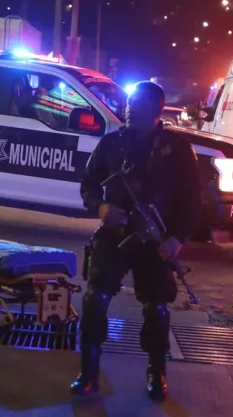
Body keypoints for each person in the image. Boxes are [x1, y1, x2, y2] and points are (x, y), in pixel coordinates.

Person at [70, 81, 203, 401]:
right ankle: (88, 371)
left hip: (155, 240)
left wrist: (177, 240)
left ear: (157, 110)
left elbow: (193, 203)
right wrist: (101, 208)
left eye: (139, 104)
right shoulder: (112, 144)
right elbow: (88, 183)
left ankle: (156, 372)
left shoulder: (177, 150)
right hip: (115, 235)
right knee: (95, 298)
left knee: (157, 307)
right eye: (129, 103)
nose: (130, 109)